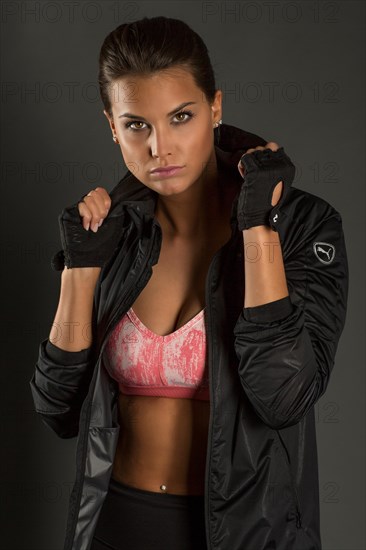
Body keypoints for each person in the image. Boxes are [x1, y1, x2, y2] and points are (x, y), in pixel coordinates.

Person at [29, 15, 349, 550]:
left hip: (243, 534)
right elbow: (58, 410)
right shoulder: (117, 235)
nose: (160, 147)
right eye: (137, 124)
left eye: (181, 117)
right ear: (112, 125)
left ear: (215, 109)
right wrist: (80, 270)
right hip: (116, 525)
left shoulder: (303, 225)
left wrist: (257, 225)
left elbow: (283, 397)